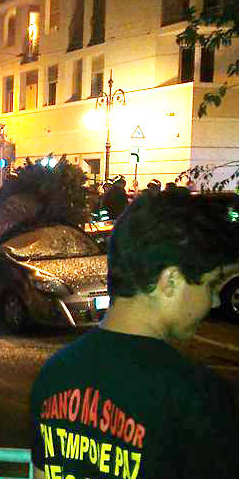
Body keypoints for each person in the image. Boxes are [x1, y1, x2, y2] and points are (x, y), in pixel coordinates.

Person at [30, 188, 239, 479]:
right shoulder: (197, 396)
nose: (214, 301)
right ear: (171, 281)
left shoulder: (54, 375)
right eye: (211, 285)